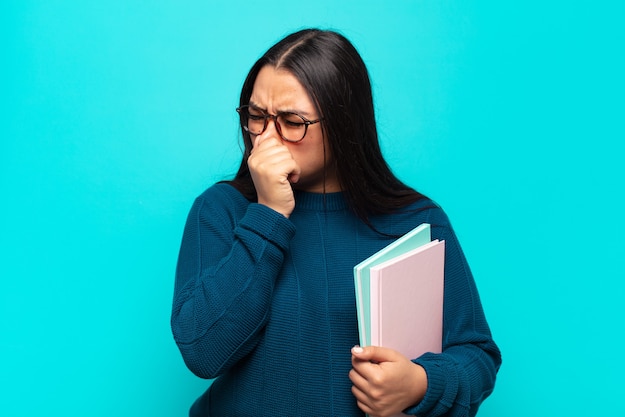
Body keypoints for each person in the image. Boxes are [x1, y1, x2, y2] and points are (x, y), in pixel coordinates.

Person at [171, 28, 501, 417]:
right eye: (256, 117)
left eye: (292, 122)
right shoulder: (221, 209)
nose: (265, 141)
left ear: (344, 124)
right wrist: (269, 214)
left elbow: (476, 355)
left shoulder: (418, 223)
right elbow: (203, 352)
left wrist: (420, 384)